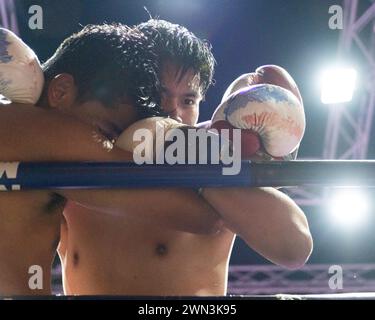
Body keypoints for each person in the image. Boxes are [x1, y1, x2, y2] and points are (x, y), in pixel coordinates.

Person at [58, 19, 313, 296]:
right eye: (157, 94)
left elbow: (294, 247)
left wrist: (198, 171)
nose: (172, 111)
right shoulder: (83, 150)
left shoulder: (212, 156)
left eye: (188, 101)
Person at [0, 24, 220, 295]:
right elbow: (200, 217)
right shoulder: (44, 131)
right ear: (61, 91)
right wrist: (205, 148)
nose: (115, 141)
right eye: (106, 131)